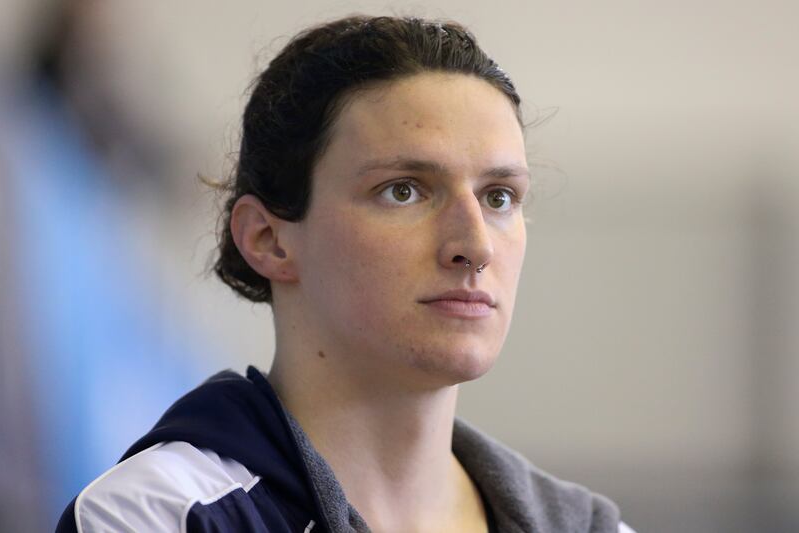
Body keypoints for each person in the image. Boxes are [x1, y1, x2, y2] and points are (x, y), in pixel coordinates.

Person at [56, 15, 634, 533]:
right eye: (403, 191)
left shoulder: (584, 526)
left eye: (500, 196)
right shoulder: (157, 516)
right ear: (268, 239)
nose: (475, 245)